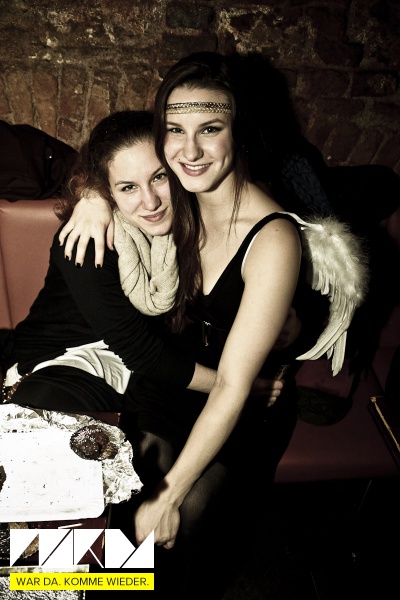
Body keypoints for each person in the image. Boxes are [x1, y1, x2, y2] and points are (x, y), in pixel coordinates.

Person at [59, 53, 317, 599]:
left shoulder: (273, 238)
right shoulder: (179, 196)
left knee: (165, 534)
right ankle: (31, 580)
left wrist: (171, 494)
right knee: (107, 512)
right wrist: (91, 196)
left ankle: (64, 582)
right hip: (167, 384)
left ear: (239, 130)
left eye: (210, 128)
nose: (190, 150)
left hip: (241, 405)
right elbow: (122, 170)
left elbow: (233, 386)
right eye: (175, 130)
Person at [3, 109, 284, 413]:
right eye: (128, 187)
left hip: (145, 371)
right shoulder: (89, 238)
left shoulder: (198, 224)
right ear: (107, 191)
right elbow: (140, 351)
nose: (151, 202)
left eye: (159, 177)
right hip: (66, 360)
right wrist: (238, 388)